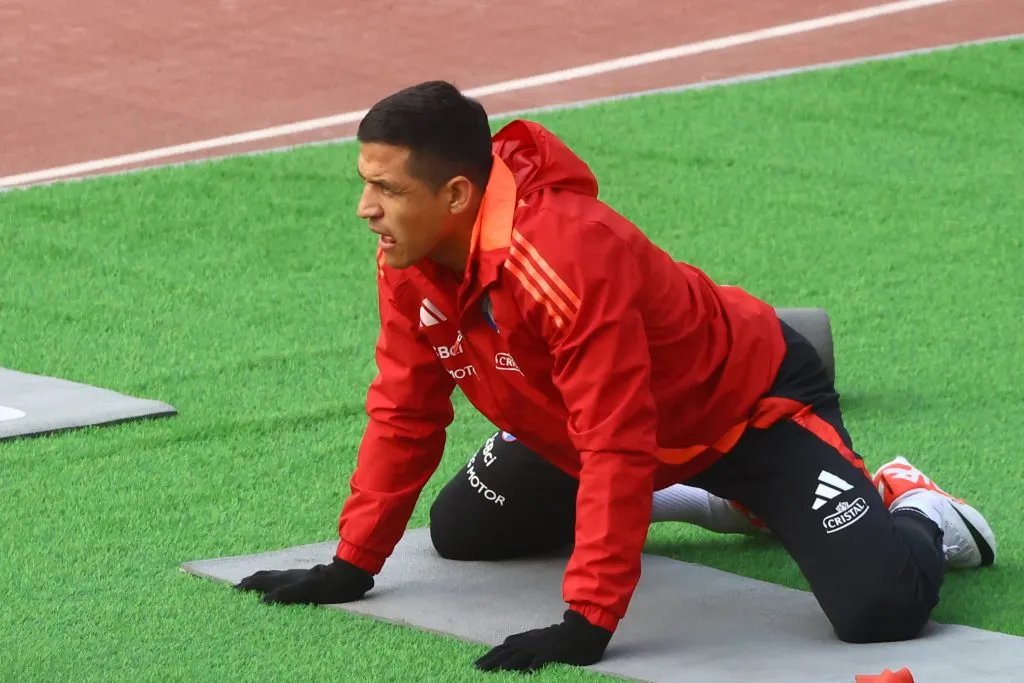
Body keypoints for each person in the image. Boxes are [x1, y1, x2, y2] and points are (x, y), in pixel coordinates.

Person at [234, 80, 997, 674]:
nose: (366, 209)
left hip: (749, 408)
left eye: (387, 189)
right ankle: (699, 498)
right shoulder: (408, 259)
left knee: (878, 607)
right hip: (587, 423)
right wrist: (351, 564)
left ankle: (916, 505)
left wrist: (588, 621)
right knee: (464, 531)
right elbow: (404, 409)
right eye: (364, 184)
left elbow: (619, 437)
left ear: (457, 196)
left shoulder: (566, 257)